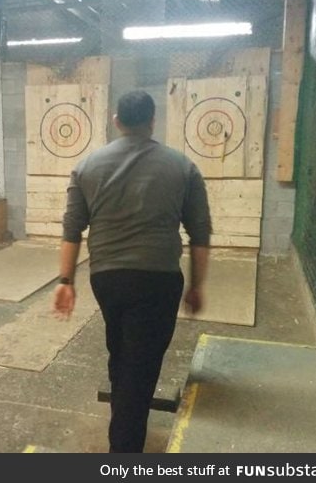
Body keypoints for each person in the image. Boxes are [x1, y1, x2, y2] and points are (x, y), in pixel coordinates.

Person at [53, 90, 212, 453]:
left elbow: (71, 229)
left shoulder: (86, 166)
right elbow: (200, 234)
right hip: (158, 279)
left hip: (106, 279)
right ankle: (123, 453)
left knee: (122, 349)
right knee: (140, 369)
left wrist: (66, 282)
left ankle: (123, 409)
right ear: (153, 121)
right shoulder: (183, 166)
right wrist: (198, 286)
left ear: (116, 121)